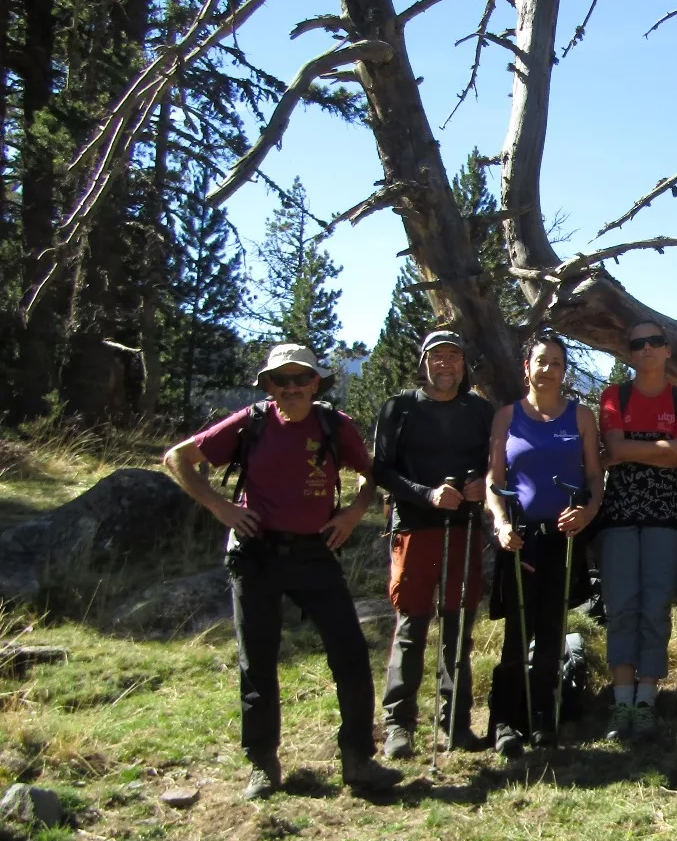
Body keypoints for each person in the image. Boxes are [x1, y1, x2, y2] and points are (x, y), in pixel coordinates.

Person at [162, 344, 403, 800]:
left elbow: (371, 472)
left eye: (301, 379)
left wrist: (353, 513)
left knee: (351, 655)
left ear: (315, 383)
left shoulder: (335, 425)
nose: (292, 388)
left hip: (315, 553)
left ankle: (358, 759)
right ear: (269, 385)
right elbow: (178, 458)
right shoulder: (250, 423)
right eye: (282, 380)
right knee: (257, 660)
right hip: (255, 554)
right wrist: (221, 507)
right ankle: (262, 763)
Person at [370, 330, 496, 759]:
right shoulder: (400, 408)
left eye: (453, 356)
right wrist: (426, 494)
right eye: (437, 356)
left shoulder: (479, 410)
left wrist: (483, 484)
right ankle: (398, 725)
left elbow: (495, 462)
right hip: (414, 528)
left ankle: (456, 723)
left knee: (459, 630)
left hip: (464, 529)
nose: (445, 364)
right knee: (412, 627)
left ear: (463, 365)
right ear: (423, 363)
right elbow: (382, 471)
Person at [485, 334, 604, 754]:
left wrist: (588, 511)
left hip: (564, 537)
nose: (548, 369)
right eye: (541, 361)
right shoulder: (506, 417)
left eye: (556, 363)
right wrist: (501, 523)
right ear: (527, 367)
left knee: (553, 629)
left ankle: (543, 717)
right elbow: (494, 480)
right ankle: (505, 721)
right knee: (517, 631)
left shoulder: (581, 417)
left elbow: (594, 476)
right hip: (519, 538)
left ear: (564, 371)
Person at [594, 320, 677, 743]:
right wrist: (665, 446)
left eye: (655, 341)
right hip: (618, 515)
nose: (648, 349)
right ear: (630, 354)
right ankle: (622, 702)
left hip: (666, 516)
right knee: (621, 607)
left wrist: (631, 451)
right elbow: (616, 448)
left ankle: (646, 701)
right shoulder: (614, 395)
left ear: (668, 349)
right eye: (639, 344)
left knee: (656, 607)